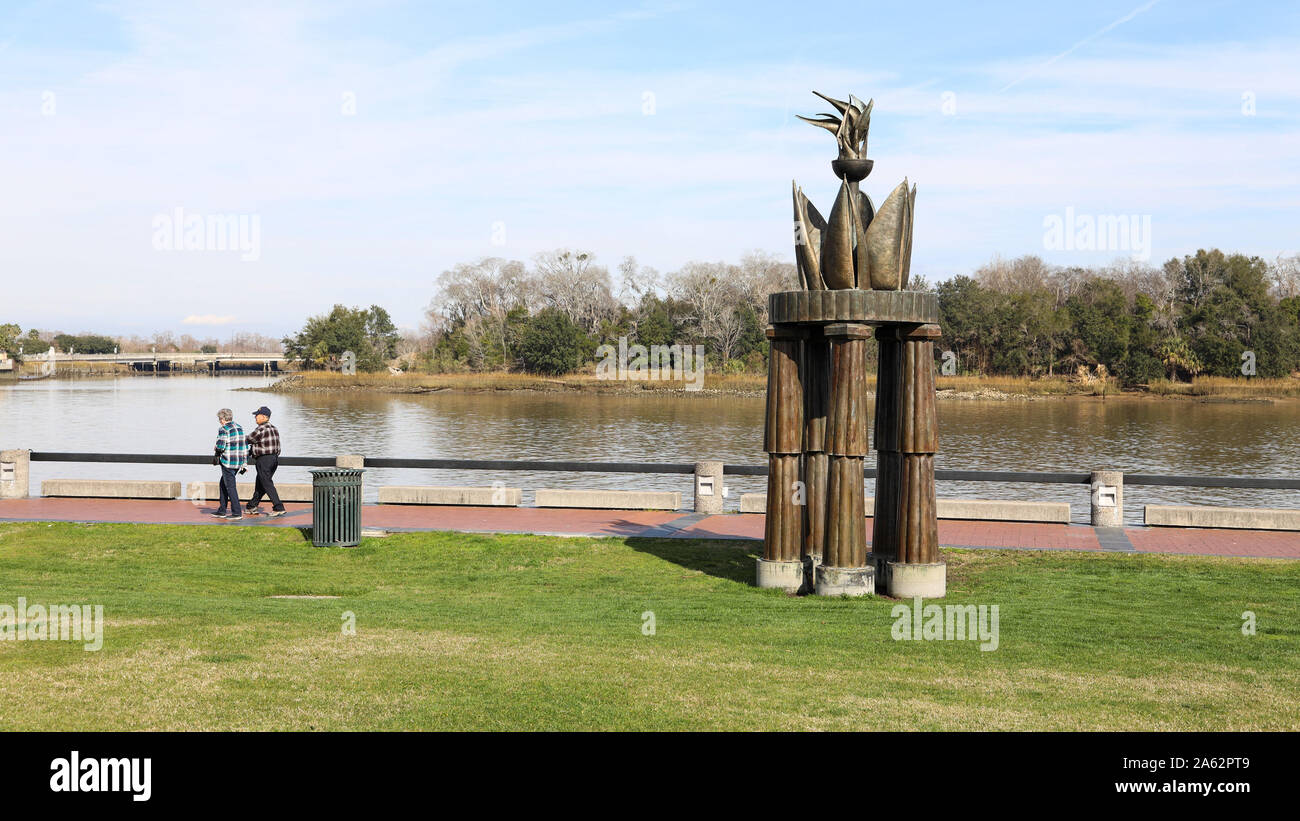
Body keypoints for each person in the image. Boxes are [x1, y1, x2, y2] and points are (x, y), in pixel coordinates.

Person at [245, 405, 286, 517]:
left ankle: (278, 507)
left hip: (264, 459)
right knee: (261, 483)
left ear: (264, 417)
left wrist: (235, 438)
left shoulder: (261, 429)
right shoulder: (274, 428)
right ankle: (251, 506)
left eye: (256, 416)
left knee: (266, 483)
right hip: (274, 459)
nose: (255, 418)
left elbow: (248, 439)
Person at [211, 408, 248, 520]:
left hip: (227, 462)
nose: (219, 421)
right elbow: (245, 447)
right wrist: (245, 463)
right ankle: (222, 510)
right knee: (223, 484)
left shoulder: (224, 429)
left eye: (219, 418)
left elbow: (221, 446)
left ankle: (237, 512)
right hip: (238, 462)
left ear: (222, 419)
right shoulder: (239, 427)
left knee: (230, 487)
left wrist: (216, 447)